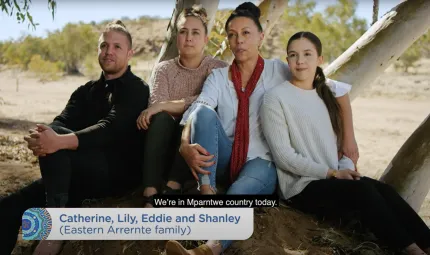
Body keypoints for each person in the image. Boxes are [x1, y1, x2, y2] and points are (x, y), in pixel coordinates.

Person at [165, 3, 357, 255]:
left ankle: (208, 249)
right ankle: (207, 194)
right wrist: (183, 144)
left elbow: (336, 90)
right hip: (222, 158)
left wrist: (349, 141)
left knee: (238, 194)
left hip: (262, 161)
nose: (239, 41)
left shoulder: (279, 70)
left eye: (246, 33)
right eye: (232, 35)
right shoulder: (219, 77)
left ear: (260, 37)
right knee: (202, 112)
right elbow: (196, 111)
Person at [260, 31, 430, 255]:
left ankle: (427, 243)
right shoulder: (275, 98)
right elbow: (283, 156)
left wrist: (342, 171)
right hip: (300, 189)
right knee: (363, 191)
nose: (300, 61)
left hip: (331, 179)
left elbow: (336, 146)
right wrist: (331, 173)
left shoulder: (325, 95)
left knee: (385, 190)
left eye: (307, 54)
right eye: (293, 55)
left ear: (320, 60)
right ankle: (411, 250)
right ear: (287, 60)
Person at [0, 20, 149, 255]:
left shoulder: (137, 88)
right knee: (7, 207)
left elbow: (109, 128)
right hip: (71, 173)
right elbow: (61, 122)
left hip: (114, 174)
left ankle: (55, 228)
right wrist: (42, 137)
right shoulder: (85, 91)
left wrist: (58, 141)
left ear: (130, 53)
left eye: (117, 47)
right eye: (104, 45)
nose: (109, 51)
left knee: (57, 139)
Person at [136, 5, 228, 208]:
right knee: (160, 118)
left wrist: (168, 105)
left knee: (195, 116)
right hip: (163, 147)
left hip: (197, 147)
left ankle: (173, 186)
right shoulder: (164, 70)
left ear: (206, 39)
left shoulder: (218, 68)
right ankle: (150, 193)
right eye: (183, 32)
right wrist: (163, 107)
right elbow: (156, 108)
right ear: (176, 37)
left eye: (196, 33)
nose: (189, 38)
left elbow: (210, 102)